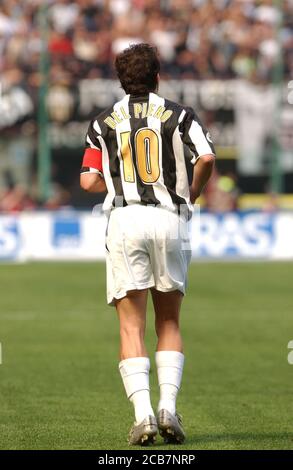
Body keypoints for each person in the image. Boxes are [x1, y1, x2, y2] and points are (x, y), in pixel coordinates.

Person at [80, 43, 215, 446]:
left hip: (125, 220)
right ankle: (168, 409)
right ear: (158, 76)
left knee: (131, 324)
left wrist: (117, 181)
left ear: (121, 81)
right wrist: (190, 193)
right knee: (169, 321)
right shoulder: (180, 115)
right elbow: (206, 158)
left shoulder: (103, 122)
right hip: (169, 219)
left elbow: (88, 180)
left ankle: (143, 417)